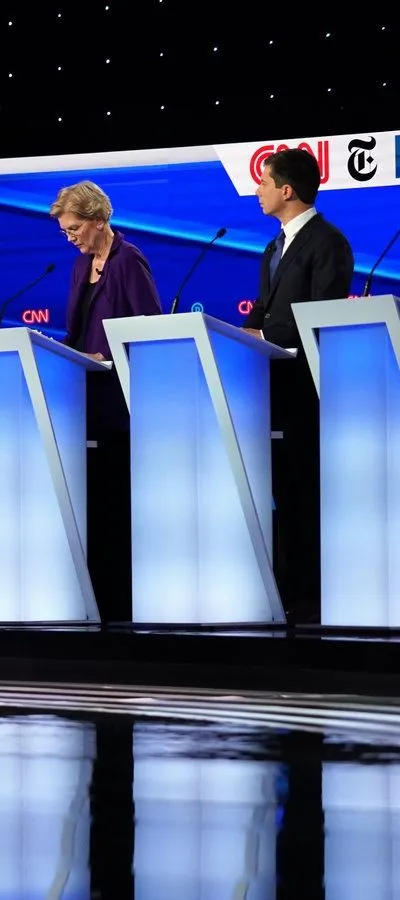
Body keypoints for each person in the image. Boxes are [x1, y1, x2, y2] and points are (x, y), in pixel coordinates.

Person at [241, 147, 355, 622]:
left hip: (309, 391)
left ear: (286, 190)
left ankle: (314, 598)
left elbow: (322, 317)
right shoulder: (274, 246)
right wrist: (241, 334)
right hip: (271, 387)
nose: (258, 190)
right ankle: (289, 591)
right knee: (283, 493)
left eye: (264, 182)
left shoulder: (328, 242)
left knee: (306, 490)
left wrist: (265, 335)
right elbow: (263, 309)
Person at [51, 181, 163, 623]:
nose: (70, 237)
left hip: (121, 402)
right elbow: (76, 332)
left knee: (117, 501)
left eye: (75, 228)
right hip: (86, 400)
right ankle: (95, 600)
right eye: (65, 231)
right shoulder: (81, 266)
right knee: (92, 501)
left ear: (99, 220)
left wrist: (109, 355)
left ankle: (122, 604)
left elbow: (151, 329)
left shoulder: (128, 260)